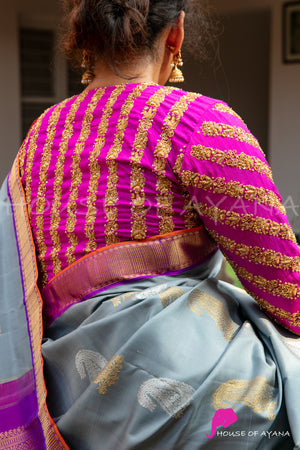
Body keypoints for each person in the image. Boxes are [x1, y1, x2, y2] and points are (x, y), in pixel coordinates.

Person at [1, 0, 300, 448]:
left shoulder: (38, 142)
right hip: (203, 411)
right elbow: (288, 292)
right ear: (176, 33)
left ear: (83, 35)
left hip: (74, 414)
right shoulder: (199, 127)